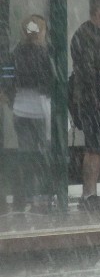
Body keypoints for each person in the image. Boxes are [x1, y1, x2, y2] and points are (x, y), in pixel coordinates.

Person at [70, 0, 100, 211]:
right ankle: (89, 195)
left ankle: (90, 194)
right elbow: (89, 70)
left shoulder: (92, 35)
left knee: (96, 146)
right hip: (93, 100)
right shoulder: (86, 36)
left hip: (95, 99)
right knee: (94, 147)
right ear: (98, 12)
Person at [10, 15, 54, 211]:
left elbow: (8, 80)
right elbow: (50, 81)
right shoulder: (45, 54)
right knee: (44, 153)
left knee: (26, 154)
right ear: (41, 32)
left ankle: (27, 194)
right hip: (40, 110)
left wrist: (12, 101)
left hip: (20, 110)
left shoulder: (15, 53)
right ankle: (43, 195)